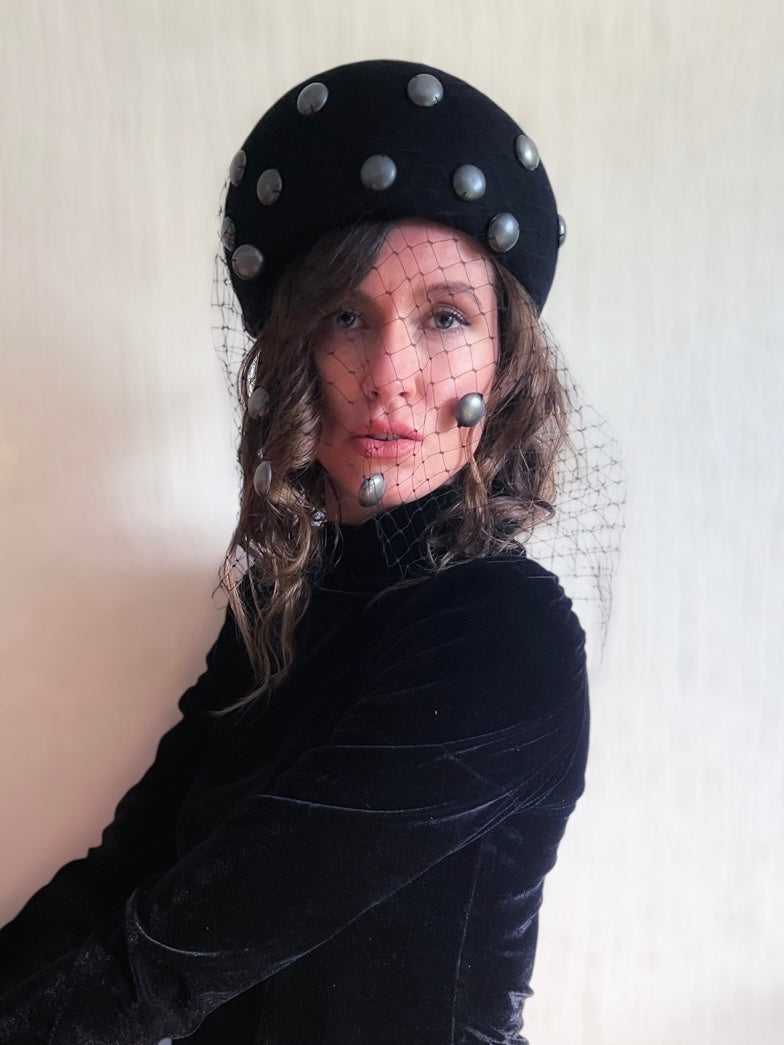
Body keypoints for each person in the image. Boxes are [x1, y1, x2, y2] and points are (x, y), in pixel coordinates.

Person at [0, 59, 611, 1044]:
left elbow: (174, 957)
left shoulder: (504, 635)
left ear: (502, 363)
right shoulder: (280, 601)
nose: (389, 376)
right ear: (295, 355)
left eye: (445, 316)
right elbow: (122, 880)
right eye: (345, 316)